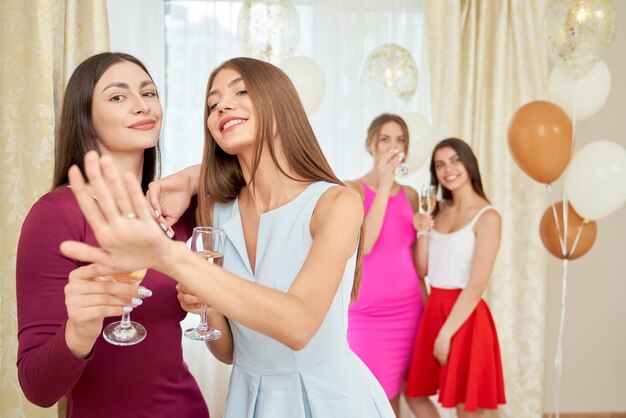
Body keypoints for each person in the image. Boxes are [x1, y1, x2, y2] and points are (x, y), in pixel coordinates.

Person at [59, 57, 395, 418]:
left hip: (329, 400)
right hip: (249, 399)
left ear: (281, 103)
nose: (223, 105)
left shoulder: (336, 202)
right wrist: (209, 304)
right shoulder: (215, 210)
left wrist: (174, 257)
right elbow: (230, 351)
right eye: (212, 103)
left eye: (241, 91)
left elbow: (298, 326)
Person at [15, 52, 209, 418]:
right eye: (118, 96)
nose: (140, 106)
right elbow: (37, 388)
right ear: (85, 117)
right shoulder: (55, 215)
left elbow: (262, 168)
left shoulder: (175, 207)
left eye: (148, 93)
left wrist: (192, 176)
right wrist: (79, 331)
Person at [404, 138, 506, 417]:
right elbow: (422, 270)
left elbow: (476, 284)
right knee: (414, 393)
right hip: (433, 310)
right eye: (440, 164)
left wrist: (446, 333)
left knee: (465, 407)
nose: (447, 169)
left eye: (454, 160)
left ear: (468, 163)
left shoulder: (488, 217)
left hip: (465, 317)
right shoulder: (437, 210)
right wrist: (422, 231)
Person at [345, 114, 426, 416]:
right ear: (370, 145)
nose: (394, 146)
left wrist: (425, 231)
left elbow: (418, 262)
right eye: (385, 139)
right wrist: (383, 186)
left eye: (400, 139)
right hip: (366, 313)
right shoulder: (350, 189)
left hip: (409, 311)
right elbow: (365, 244)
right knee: (370, 396)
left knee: (395, 397)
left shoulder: (411, 195)